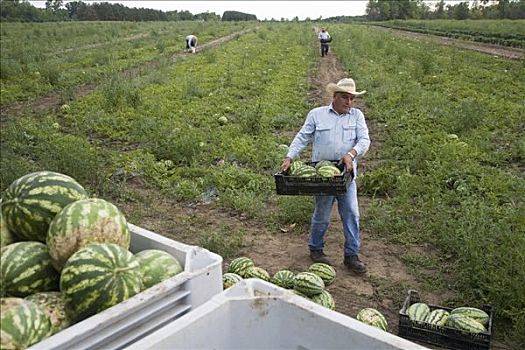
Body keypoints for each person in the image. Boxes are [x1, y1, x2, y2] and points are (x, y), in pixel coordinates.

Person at [280, 78, 371, 274]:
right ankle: (316, 249)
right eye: (345, 98)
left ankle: (351, 255)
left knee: (352, 214)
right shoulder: (317, 115)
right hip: (321, 175)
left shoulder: (357, 116)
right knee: (321, 215)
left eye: (352, 99)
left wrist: (351, 154)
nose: (349, 102)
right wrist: (289, 156)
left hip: (345, 175)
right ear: (335, 97)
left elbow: (364, 140)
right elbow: (303, 136)